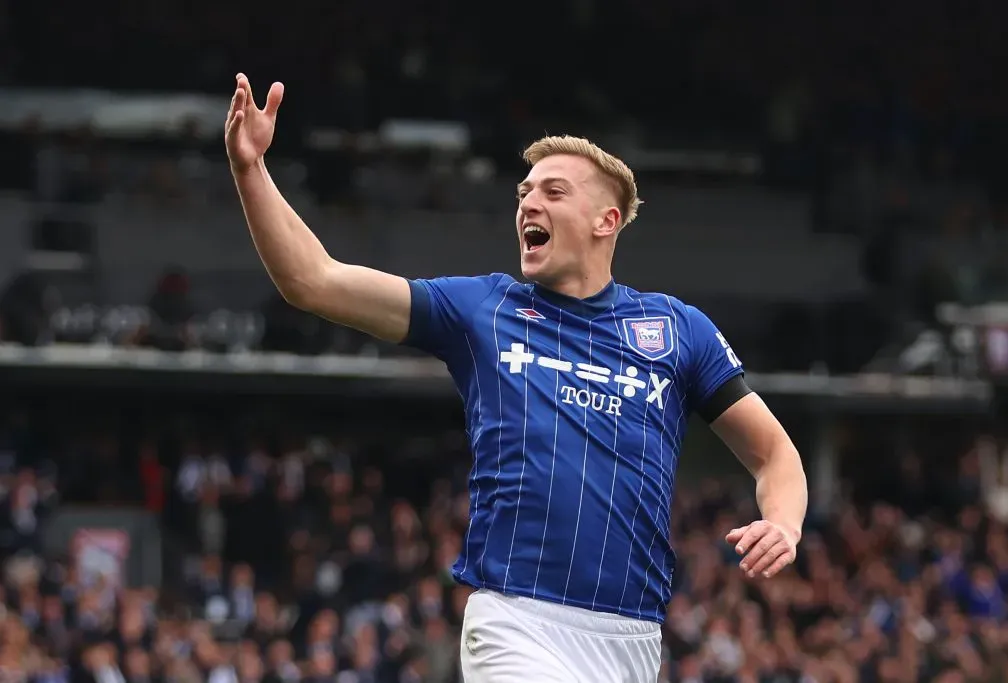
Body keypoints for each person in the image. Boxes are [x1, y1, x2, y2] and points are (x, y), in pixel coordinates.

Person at [225, 73, 808, 682]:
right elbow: (314, 281)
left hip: (632, 639)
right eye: (524, 192)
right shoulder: (482, 309)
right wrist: (250, 169)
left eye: (554, 192)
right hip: (516, 621)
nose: (529, 203)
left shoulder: (676, 329)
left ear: (606, 220)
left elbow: (775, 455)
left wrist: (783, 523)